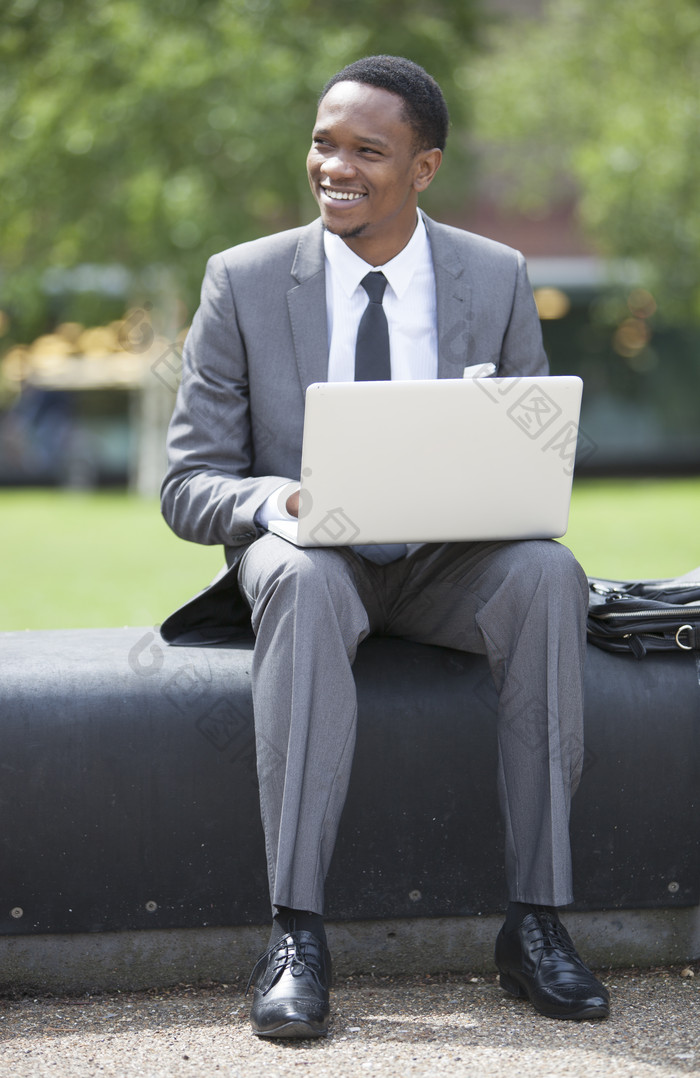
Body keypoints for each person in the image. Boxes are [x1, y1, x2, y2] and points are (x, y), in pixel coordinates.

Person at [160, 54, 609, 1038]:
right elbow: (186, 485)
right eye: (324, 142)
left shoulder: (494, 277)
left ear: (425, 167)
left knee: (547, 572)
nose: (335, 166)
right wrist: (277, 498)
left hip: (450, 563)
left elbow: (532, 452)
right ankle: (296, 934)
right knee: (308, 578)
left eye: (368, 150)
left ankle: (535, 922)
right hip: (310, 560)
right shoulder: (239, 283)